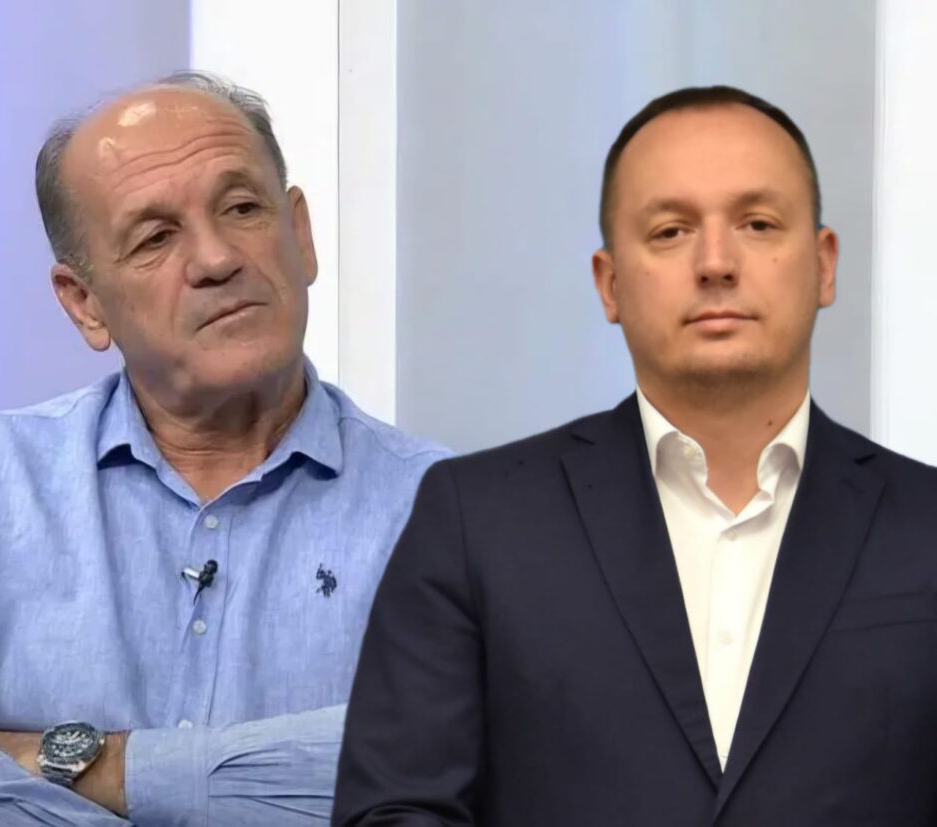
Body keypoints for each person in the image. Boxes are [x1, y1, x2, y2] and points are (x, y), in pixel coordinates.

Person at [0, 72, 446, 826]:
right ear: (85, 303)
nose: (216, 258)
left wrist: (104, 765)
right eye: (155, 237)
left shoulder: (453, 512)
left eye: (242, 208)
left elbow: (492, 764)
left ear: (301, 236)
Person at [334, 85, 937, 825]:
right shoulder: (475, 520)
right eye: (671, 231)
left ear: (824, 265)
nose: (716, 262)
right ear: (610, 282)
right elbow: (395, 809)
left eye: (757, 223)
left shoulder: (925, 526)